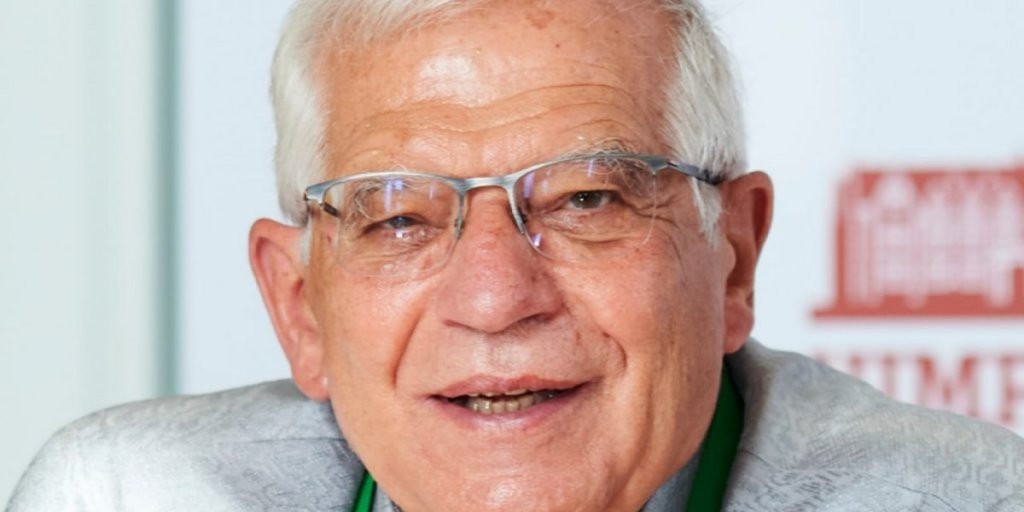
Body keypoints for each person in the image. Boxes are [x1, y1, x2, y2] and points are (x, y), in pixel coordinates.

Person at [8, 0, 1023, 510]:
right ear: (299, 306)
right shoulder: (132, 497)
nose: (495, 297)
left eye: (588, 199)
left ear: (733, 260)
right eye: (398, 218)